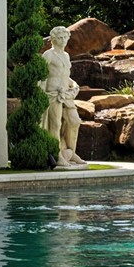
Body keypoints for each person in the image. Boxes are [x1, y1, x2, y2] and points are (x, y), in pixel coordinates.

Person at [39, 25, 84, 165]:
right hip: (53, 94)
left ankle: (72, 152)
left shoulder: (66, 55)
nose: (63, 40)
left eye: (65, 37)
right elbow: (42, 76)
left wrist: (74, 84)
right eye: (60, 38)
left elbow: (64, 75)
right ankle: (57, 155)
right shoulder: (48, 55)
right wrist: (40, 96)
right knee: (56, 124)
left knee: (75, 121)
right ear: (53, 40)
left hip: (66, 95)